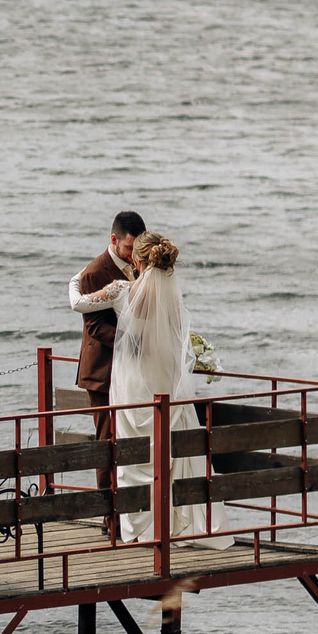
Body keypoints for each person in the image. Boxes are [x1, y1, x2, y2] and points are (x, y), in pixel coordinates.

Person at [95, 232, 213, 545]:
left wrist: (75, 282)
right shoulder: (172, 292)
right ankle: (174, 523)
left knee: (134, 446)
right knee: (169, 442)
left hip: (135, 377)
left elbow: (80, 303)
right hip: (164, 374)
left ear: (138, 258)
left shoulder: (127, 290)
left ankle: (138, 526)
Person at [67, 211, 146, 417]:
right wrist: (134, 343)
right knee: (107, 431)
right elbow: (95, 327)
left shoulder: (140, 265)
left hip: (132, 369)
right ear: (114, 239)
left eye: (138, 249)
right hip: (103, 369)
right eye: (129, 248)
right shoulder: (94, 273)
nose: (134, 255)